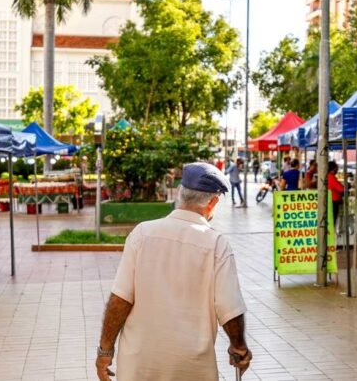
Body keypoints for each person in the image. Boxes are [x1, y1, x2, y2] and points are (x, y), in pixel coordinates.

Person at [95, 162, 251, 381]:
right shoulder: (216, 244)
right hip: (191, 367)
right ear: (213, 202)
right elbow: (229, 309)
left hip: (139, 364)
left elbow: (120, 300)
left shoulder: (142, 234)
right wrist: (239, 348)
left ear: (180, 194)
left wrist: (105, 351)